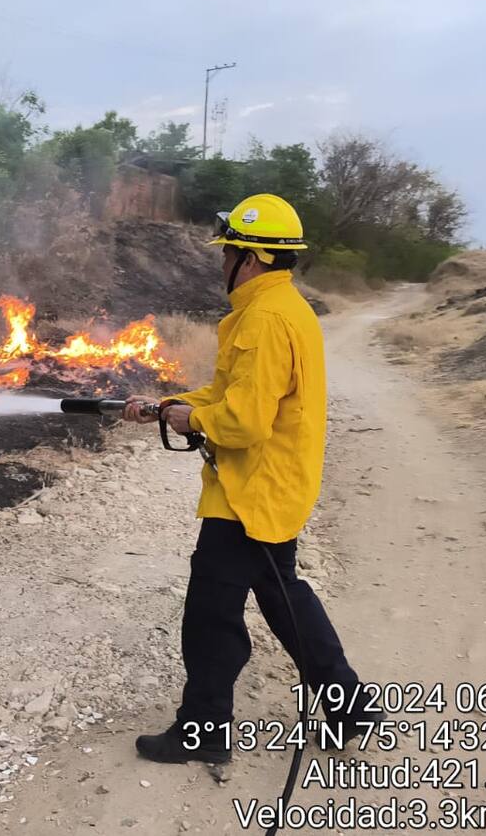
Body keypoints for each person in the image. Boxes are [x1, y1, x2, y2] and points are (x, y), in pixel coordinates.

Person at [123, 193, 380, 765]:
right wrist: (169, 403)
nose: (222, 265)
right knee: (281, 594)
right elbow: (230, 394)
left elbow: (241, 421)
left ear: (254, 258)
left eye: (229, 253)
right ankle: (349, 706)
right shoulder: (281, 308)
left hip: (250, 493)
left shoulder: (263, 320)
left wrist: (196, 420)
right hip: (272, 485)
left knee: (211, 611)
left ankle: (203, 731)